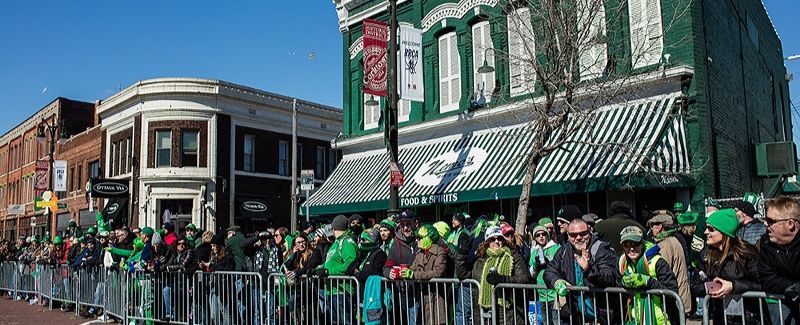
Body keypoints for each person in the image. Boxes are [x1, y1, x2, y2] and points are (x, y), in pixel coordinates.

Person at [691, 208, 763, 324]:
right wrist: (710, 287)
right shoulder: (705, 254)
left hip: (748, 318)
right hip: (720, 318)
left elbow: (761, 283)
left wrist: (733, 286)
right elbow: (695, 286)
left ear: (724, 231)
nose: (705, 232)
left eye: (711, 229)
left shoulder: (746, 253)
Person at [544, 218, 620, 324]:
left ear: (589, 231)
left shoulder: (602, 249)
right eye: (573, 235)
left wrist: (589, 269)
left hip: (602, 317)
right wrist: (556, 282)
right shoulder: (564, 250)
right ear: (568, 235)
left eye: (583, 234)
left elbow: (609, 277)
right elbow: (549, 271)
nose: (579, 238)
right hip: (577, 317)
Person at [618, 226, 679, 325]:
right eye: (626, 244)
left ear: (642, 243)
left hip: (662, 321)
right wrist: (623, 283)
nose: (631, 248)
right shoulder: (622, 263)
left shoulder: (658, 262)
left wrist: (648, 281)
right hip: (637, 320)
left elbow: (672, 292)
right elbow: (617, 288)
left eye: (635, 243)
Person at [472, 226, 530, 324]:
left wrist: (503, 280)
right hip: (486, 314)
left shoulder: (514, 256)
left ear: (503, 241)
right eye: (492, 239)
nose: (496, 241)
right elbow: (466, 275)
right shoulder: (481, 260)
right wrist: (461, 255)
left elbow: (524, 278)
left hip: (509, 313)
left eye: (499, 238)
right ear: (487, 242)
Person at [758, 197, 800, 324]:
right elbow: (766, 277)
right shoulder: (766, 243)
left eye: (771, 221)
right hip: (783, 308)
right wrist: (790, 288)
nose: (766, 224)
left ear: (790, 224)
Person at [647, 210, 691, 316]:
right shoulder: (674, 240)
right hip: (679, 296)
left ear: (660, 227)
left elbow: (661, 271)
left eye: (653, 225)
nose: (651, 228)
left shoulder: (665, 244)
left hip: (673, 300)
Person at [317, 214, 358, 325]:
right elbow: (328, 263)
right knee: (335, 321)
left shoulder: (347, 241)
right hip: (332, 289)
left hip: (343, 290)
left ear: (334, 228)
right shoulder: (336, 243)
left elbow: (350, 263)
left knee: (346, 321)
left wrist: (328, 272)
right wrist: (316, 269)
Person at [528, 225, 560, 324]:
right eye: (538, 235)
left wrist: (549, 262)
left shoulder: (556, 247)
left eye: (543, 234)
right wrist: (536, 266)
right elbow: (531, 274)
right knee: (546, 322)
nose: (541, 236)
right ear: (535, 238)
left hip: (555, 294)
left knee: (557, 322)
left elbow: (561, 267)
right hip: (542, 295)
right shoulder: (534, 252)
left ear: (547, 235)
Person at [448, 212, 474, 325]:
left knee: (461, 310)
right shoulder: (452, 233)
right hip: (450, 273)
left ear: (461, 221)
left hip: (459, 275)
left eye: (455, 219)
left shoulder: (464, 234)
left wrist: (447, 247)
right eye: (452, 219)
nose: (452, 221)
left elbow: (460, 254)